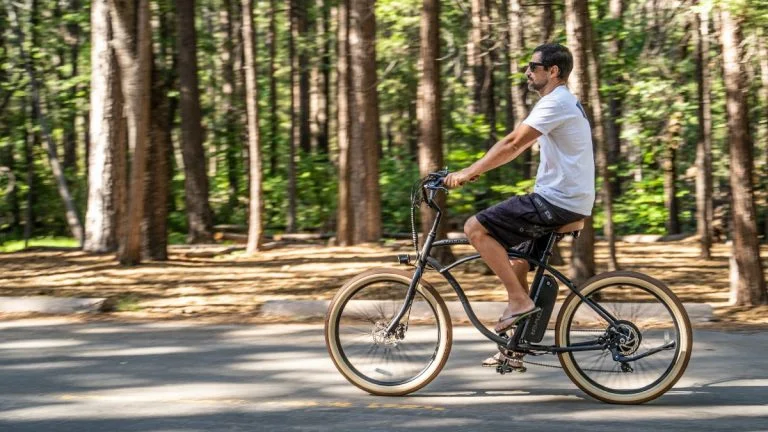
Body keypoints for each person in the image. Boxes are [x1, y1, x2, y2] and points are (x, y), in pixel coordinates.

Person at [443, 43, 595, 367]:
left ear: (552, 71)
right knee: (517, 262)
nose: (528, 72)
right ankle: (515, 347)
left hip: (558, 201)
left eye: (533, 66)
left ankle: (518, 300)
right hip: (566, 199)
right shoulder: (562, 102)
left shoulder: (556, 102)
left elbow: (514, 143)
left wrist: (470, 171)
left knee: (475, 227)